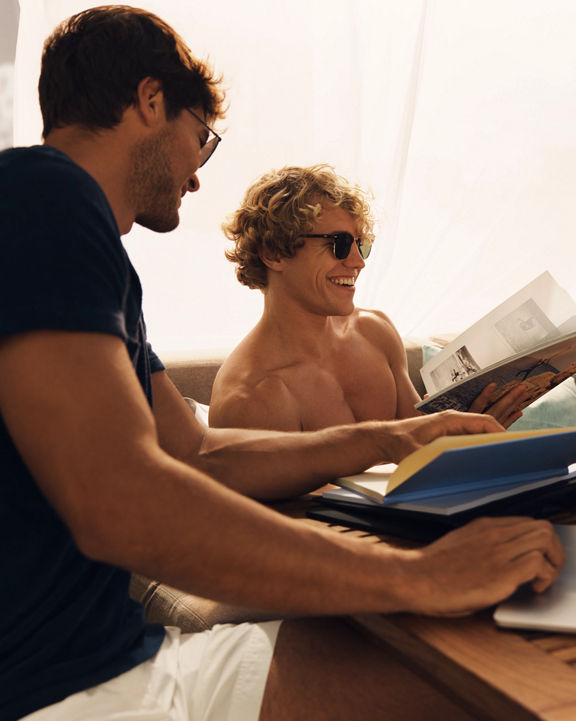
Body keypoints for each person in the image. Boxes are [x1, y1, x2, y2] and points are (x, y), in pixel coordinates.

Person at [0, 7, 563, 721]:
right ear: (150, 101)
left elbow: (194, 452)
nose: (197, 178)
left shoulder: (89, 254)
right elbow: (121, 502)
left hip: (129, 659)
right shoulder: (43, 194)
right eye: (200, 138)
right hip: (58, 693)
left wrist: (389, 437)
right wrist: (418, 575)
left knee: (488, 678)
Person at [210, 164, 530, 432]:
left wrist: (474, 430)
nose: (358, 261)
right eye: (339, 243)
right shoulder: (250, 397)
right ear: (273, 253)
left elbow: (420, 447)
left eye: (361, 245)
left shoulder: (375, 332)